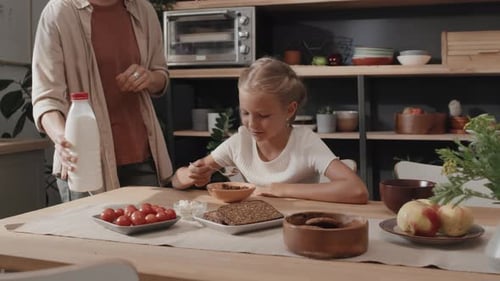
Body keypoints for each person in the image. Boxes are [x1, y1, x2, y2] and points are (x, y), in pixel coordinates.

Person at [172, 57, 368, 204]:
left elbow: (357, 191)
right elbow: (176, 181)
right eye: (245, 113)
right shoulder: (240, 141)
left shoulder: (305, 142)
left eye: (263, 116)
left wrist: (279, 189)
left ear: (289, 110)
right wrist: (192, 174)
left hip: (298, 223)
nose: (252, 124)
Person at [31, 0, 172, 202]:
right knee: (87, 232)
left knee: (151, 231)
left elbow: (161, 75)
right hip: (84, 164)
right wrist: (63, 139)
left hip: (140, 156)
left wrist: (148, 78)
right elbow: (46, 98)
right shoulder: (59, 12)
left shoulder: (143, 9)